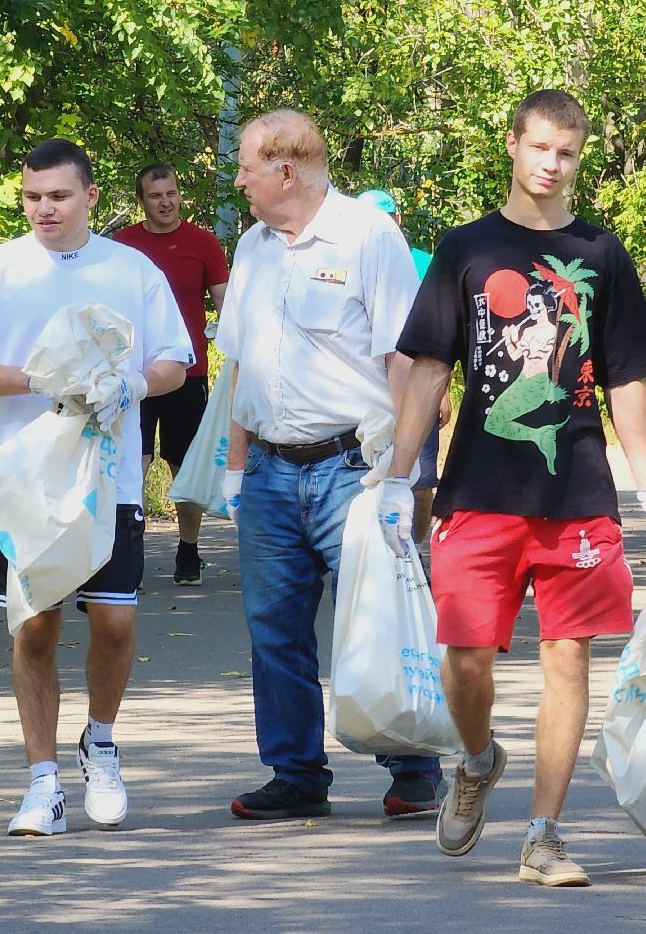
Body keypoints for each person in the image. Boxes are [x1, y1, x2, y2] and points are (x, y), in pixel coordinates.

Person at [378, 89, 646, 887]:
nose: (552, 165)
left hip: (577, 496)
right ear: (512, 143)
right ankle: (477, 762)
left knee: (569, 660)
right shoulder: (464, 249)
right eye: (540, 147)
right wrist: (395, 473)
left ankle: (544, 836)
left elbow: (625, 379)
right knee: (466, 661)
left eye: (568, 153)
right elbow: (430, 370)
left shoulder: (603, 253)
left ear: (580, 157)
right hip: (478, 488)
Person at [0, 139, 193, 837]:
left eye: (58, 195)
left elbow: (174, 360)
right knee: (37, 626)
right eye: (32, 196)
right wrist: (44, 379)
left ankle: (100, 744)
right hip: (26, 481)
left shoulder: (131, 269)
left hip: (108, 479)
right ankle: (42, 783)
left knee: (113, 621)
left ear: (89, 198)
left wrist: (132, 383)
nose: (44, 208)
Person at [216, 110, 443, 821]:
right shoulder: (251, 246)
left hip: (353, 467)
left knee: (376, 618)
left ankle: (413, 767)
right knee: (273, 629)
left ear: (286, 171)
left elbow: (402, 359)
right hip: (271, 475)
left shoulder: (367, 235)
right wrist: (235, 466)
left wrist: (403, 474)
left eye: (248, 166)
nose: (239, 179)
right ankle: (296, 775)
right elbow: (241, 367)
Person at [114, 163, 230, 585]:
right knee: (132, 465)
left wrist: (236, 351)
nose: (165, 201)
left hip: (187, 373)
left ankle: (188, 552)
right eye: (155, 195)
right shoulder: (123, 246)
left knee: (185, 466)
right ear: (141, 201)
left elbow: (225, 306)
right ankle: (129, 558)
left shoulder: (203, 243)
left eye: (171, 193)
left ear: (180, 195)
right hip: (132, 377)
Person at [358, 187, 450, 546]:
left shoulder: (426, 263)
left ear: (398, 219)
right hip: (367, 391)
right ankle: (374, 552)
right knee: (368, 477)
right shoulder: (349, 260)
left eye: (387, 217)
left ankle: (412, 551)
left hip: (417, 387)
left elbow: (444, 334)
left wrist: (442, 392)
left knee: (423, 482)